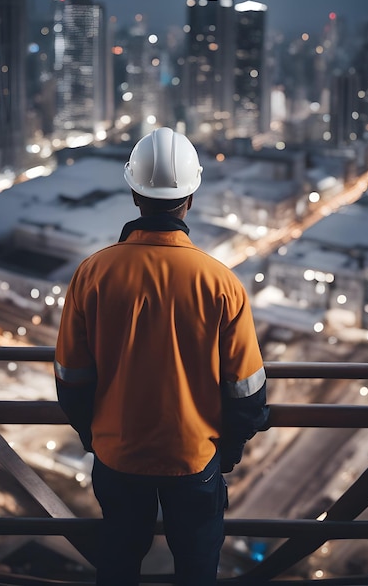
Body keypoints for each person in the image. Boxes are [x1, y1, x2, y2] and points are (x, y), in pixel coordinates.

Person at [54, 126, 269, 586]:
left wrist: (94, 435)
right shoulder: (221, 283)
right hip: (193, 459)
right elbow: (246, 390)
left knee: (117, 565)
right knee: (196, 569)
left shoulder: (92, 275)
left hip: (117, 454)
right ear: (190, 197)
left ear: (135, 193)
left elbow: (71, 378)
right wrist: (227, 449)